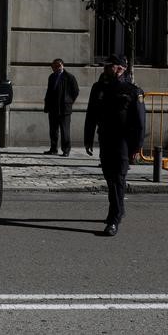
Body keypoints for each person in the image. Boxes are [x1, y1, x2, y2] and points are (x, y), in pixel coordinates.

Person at [84, 54, 145, 237]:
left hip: (123, 142)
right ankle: (119, 209)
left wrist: (137, 147)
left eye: (109, 66)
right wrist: (88, 138)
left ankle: (114, 219)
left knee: (118, 178)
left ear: (120, 68)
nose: (105, 69)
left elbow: (140, 122)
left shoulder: (133, 91)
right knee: (110, 178)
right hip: (105, 139)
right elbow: (91, 114)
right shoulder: (98, 88)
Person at [43, 58, 79, 156]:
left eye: (57, 66)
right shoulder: (52, 77)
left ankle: (66, 150)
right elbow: (49, 91)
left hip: (64, 108)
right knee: (53, 130)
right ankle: (53, 149)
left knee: (65, 130)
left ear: (62, 65)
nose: (54, 68)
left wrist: (69, 101)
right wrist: (47, 104)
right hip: (53, 107)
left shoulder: (69, 77)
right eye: (53, 66)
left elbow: (75, 91)